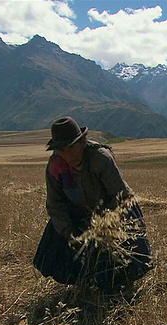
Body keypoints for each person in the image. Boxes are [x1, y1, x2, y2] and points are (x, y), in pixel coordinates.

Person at [33, 116, 152, 296]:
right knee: (60, 252)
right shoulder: (55, 167)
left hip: (113, 211)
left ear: (82, 142)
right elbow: (55, 205)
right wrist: (70, 234)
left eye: (71, 147)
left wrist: (104, 224)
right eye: (62, 150)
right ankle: (85, 281)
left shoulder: (100, 158)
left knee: (130, 254)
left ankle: (121, 283)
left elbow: (119, 195)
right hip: (78, 213)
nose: (68, 154)